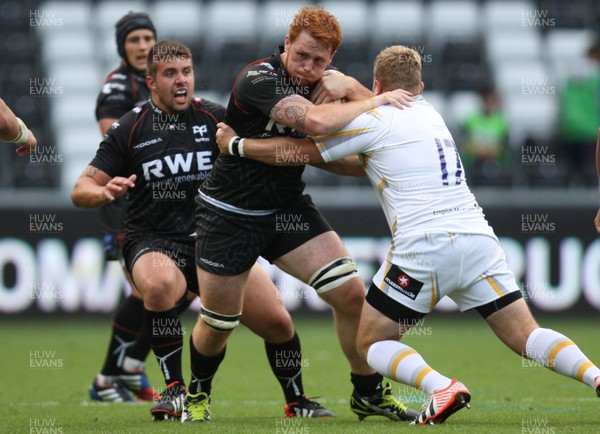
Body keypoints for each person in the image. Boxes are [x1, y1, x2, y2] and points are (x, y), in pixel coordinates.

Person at [217, 45, 600, 425]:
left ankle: (440, 387)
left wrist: (237, 145)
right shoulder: (432, 114)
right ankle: (595, 375)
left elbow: (300, 152)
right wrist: (355, 87)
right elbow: (376, 132)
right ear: (418, 85)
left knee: (371, 343)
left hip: (424, 247)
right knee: (527, 336)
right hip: (478, 238)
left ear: (378, 83)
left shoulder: (371, 122)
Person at [72, 40, 334, 421]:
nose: (181, 81)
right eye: (170, 74)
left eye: (187, 72)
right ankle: (174, 391)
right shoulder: (128, 128)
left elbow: (262, 150)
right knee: (161, 286)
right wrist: (102, 191)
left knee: (277, 323)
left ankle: (297, 401)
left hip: (218, 238)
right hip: (153, 240)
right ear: (151, 82)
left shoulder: (216, 118)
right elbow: (81, 189)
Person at [184, 6, 417, 423]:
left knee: (350, 296)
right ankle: (197, 396)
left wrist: (352, 87)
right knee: (220, 323)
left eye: (320, 61)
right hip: (229, 214)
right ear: (287, 43)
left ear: (331, 60)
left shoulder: (332, 86)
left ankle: (367, 393)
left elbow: (387, 131)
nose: (308, 67)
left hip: (286, 210)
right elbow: (311, 122)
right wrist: (374, 97)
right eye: (302, 55)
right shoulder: (258, 78)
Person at [88, 11, 160, 403]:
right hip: (125, 198)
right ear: (122, 46)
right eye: (134, 40)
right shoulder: (117, 85)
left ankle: (129, 367)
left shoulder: (158, 81)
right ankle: (107, 379)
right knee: (145, 289)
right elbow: (112, 136)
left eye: (148, 38)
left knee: (172, 288)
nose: (142, 45)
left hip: (159, 198)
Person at [558, 40, 600, 186]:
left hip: (570, 127)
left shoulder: (570, 74)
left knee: (570, 173)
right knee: (591, 174)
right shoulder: (597, 76)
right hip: (590, 129)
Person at [460, 86, 510, 186]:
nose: (489, 104)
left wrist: (484, 148)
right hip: (474, 164)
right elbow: (465, 146)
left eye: (492, 101)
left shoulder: (502, 122)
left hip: (496, 164)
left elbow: (504, 149)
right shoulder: (470, 121)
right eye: (487, 101)